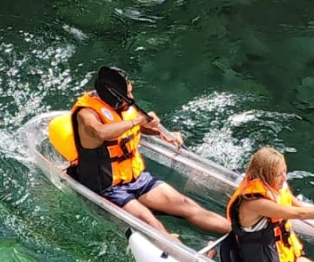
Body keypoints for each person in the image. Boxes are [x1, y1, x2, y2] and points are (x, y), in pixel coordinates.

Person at [69, 66, 230, 237]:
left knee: (187, 205)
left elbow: (130, 130)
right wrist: (138, 121)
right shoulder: (86, 115)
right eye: (127, 95)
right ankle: (187, 258)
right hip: (107, 187)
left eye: (131, 92)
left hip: (138, 179)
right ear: (113, 96)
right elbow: (102, 132)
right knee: (151, 223)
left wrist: (158, 132)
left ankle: (240, 235)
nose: (131, 98)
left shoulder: (124, 106)